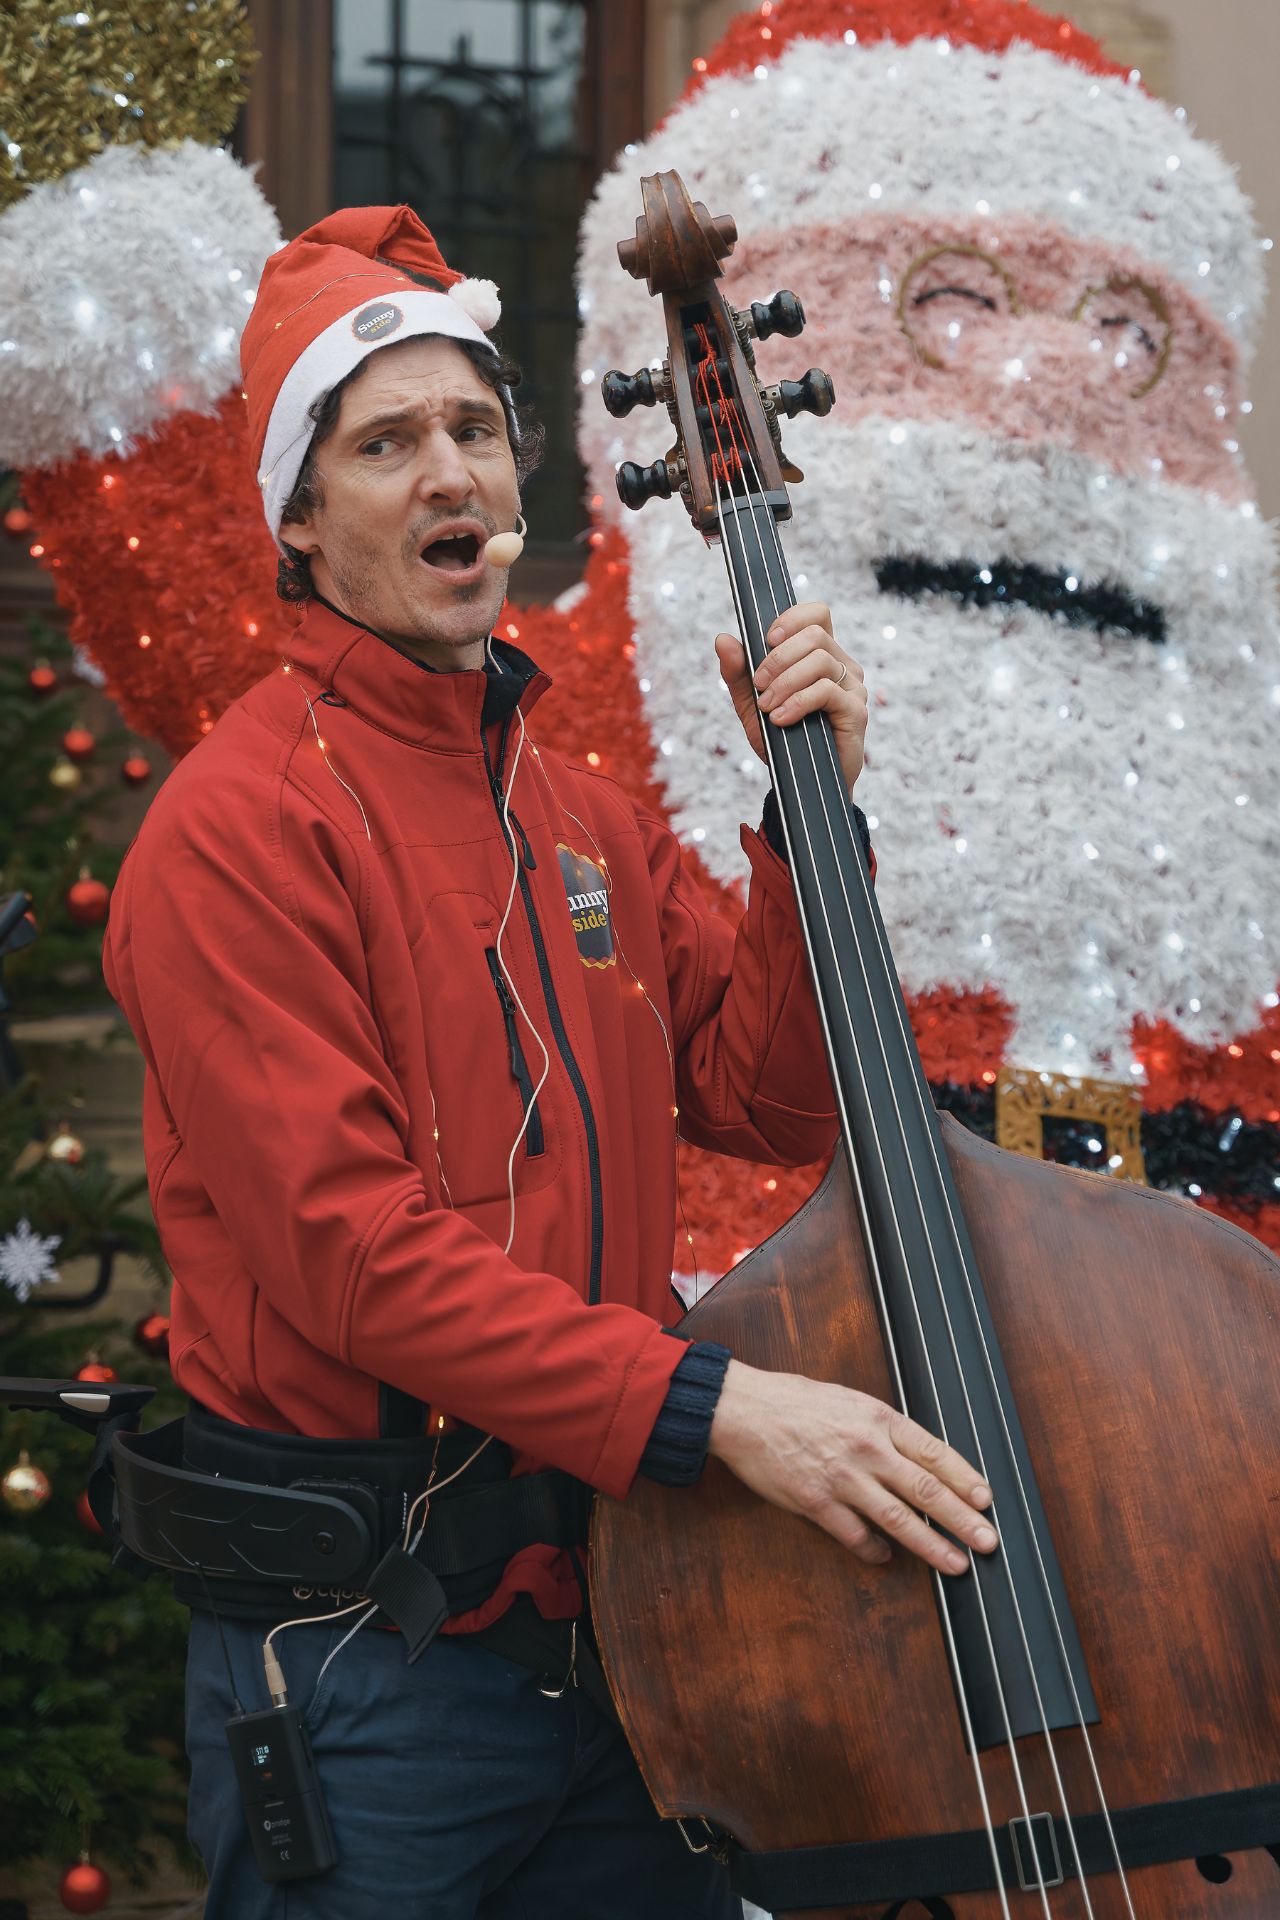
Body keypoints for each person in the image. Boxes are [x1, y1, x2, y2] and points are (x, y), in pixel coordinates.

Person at [101, 204, 996, 1919]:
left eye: (471, 430)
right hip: (371, 1671)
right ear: (298, 517)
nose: (450, 474)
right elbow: (352, 1254)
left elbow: (770, 1094)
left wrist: (809, 822)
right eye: (383, 444)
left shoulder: (570, 809)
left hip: (624, 1627)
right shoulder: (235, 829)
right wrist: (718, 1413)